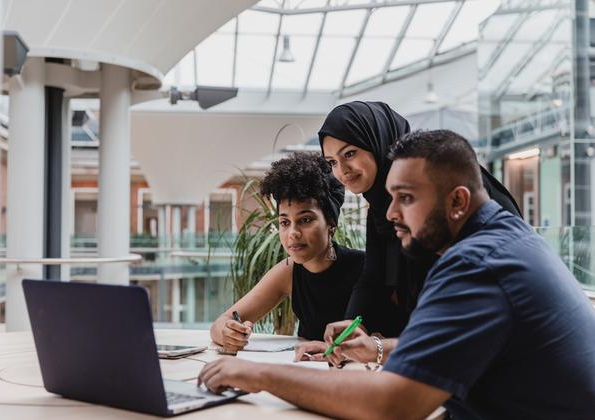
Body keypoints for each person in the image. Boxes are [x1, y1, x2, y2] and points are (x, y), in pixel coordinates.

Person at [198, 130, 595, 419]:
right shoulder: (506, 241)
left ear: (458, 200)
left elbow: (391, 403)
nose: (390, 214)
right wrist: (378, 348)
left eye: (405, 198)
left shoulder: (476, 264)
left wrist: (260, 373)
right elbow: (458, 344)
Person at [297, 101, 521, 362]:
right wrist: (348, 339)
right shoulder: (383, 206)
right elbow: (373, 278)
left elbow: (460, 320)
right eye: (332, 162)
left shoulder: (443, 189)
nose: (341, 171)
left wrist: (379, 349)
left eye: (349, 154)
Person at [210, 152, 364, 352]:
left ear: (331, 223)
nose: (293, 233)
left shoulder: (365, 268)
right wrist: (229, 333)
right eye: (284, 222)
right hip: (306, 372)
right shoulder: (288, 271)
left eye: (306, 220)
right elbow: (220, 324)